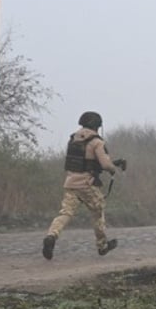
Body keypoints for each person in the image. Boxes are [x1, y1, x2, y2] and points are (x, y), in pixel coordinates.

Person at [42, 111, 127, 260]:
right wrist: (114, 169)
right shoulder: (97, 142)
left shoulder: (74, 138)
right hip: (87, 184)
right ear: (96, 125)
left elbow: (87, 162)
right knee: (98, 211)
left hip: (70, 182)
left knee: (66, 213)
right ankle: (102, 245)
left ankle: (51, 236)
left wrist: (110, 163)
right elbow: (105, 164)